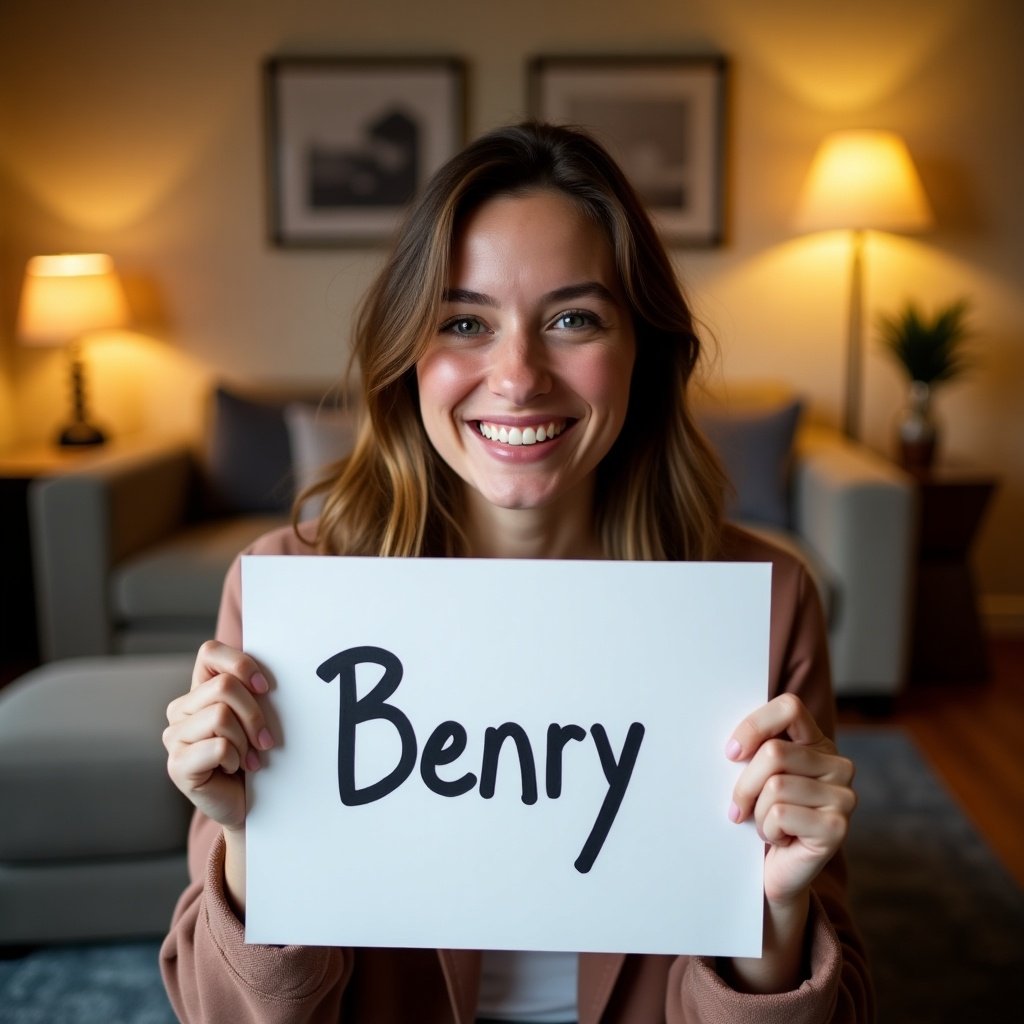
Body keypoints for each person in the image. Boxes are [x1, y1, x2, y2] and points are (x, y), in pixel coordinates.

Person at [160, 121, 873, 1023]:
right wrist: (248, 838)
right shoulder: (295, 593)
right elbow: (218, 1012)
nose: (518, 375)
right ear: (409, 352)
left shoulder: (760, 603)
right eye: (465, 322)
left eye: (573, 319)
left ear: (642, 350)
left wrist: (775, 910)